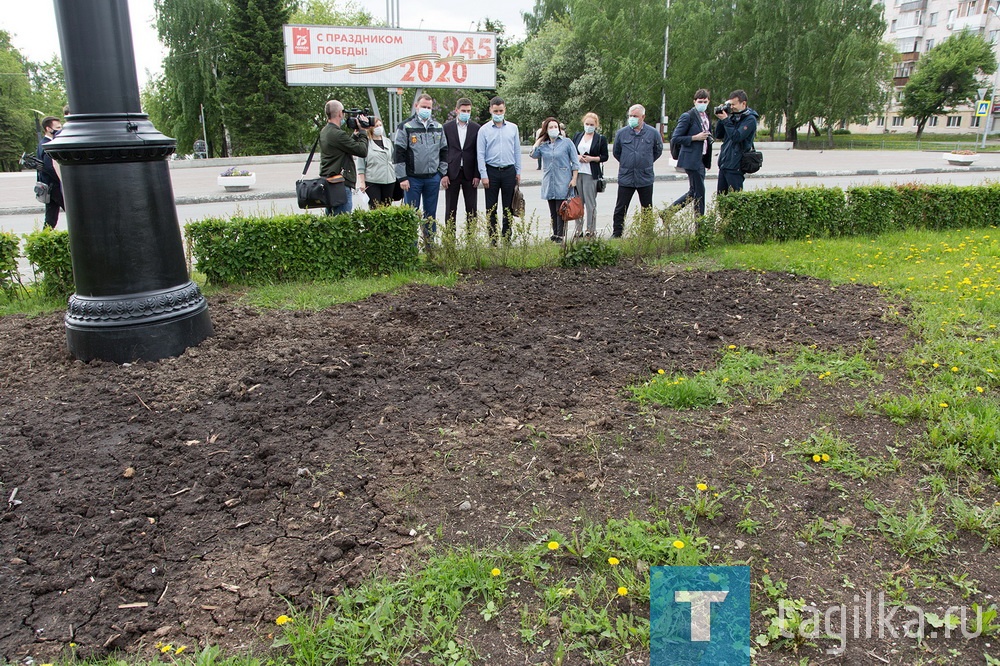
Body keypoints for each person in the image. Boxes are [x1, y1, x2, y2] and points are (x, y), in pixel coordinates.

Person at [393, 93, 448, 243]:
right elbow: (398, 154)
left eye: (429, 107)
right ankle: (411, 248)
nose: (426, 110)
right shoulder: (406, 127)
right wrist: (402, 177)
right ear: (416, 106)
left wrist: (441, 173)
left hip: (432, 179)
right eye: (423, 106)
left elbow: (444, 151)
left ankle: (430, 247)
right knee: (411, 214)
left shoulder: (437, 127)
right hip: (412, 179)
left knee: (430, 215)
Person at [611, 104, 663, 238]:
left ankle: (646, 234)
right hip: (626, 176)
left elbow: (657, 151)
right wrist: (628, 162)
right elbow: (617, 152)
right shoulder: (621, 133)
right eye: (630, 116)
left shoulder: (652, 133)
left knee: (646, 207)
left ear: (643, 117)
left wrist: (644, 162)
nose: (632, 118)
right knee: (620, 207)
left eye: (635, 116)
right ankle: (617, 233)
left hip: (644, 177)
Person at [477, 96, 521, 243]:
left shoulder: (513, 128)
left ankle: (507, 236)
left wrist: (518, 171)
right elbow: (480, 154)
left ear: (505, 110)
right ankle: (493, 238)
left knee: (508, 206)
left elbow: (517, 151)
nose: (498, 113)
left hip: (509, 171)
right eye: (495, 111)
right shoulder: (484, 130)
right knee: (491, 207)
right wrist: (484, 174)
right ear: (490, 110)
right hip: (491, 172)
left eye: (501, 110)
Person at [530, 117, 580, 243]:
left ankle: (561, 235)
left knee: (561, 209)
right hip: (549, 181)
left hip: (563, 180)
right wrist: (539, 139)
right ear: (546, 130)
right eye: (550, 127)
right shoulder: (544, 146)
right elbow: (533, 154)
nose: (553, 129)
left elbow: (575, 162)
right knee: (553, 210)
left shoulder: (567, 142)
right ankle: (555, 233)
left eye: (555, 127)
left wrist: (574, 179)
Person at [320, 100, 369, 216]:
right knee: (342, 222)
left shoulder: (326, 131)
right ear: (340, 114)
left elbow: (344, 147)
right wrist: (363, 131)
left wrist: (355, 135)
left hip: (330, 183)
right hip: (340, 185)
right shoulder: (337, 134)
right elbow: (362, 151)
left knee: (331, 221)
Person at [670, 89, 714, 216]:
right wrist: (695, 137)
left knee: (694, 191)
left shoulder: (706, 117)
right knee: (699, 193)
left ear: (708, 102)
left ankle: (668, 212)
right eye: (700, 101)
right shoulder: (688, 116)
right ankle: (699, 225)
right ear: (694, 101)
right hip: (691, 160)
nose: (702, 104)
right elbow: (675, 138)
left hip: (702, 158)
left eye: (705, 101)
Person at [441, 98, 481, 233]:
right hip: (452, 173)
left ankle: (471, 240)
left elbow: (478, 152)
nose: (466, 113)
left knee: (471, 208)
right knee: (450, 209)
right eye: (463, 111)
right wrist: (444, 174)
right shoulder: (447, 128)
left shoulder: (476, 128)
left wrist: (477, 174)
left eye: (468, 111)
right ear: (457, 110)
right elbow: (443, 151)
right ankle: (450, 240)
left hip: (470, 174)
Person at [714, 89, 759, 194]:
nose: (731, 107)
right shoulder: (732, 117)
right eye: (730, 104)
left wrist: (726, 120)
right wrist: (721, 118)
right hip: (724, 163)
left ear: (743, 103)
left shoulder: (750, 119)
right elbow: (719, 135)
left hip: (736, 165)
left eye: (734, 104)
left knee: (735, 198)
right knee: (721, 198)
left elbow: (737, 137)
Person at [571, 112, 609, 238]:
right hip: (577, 172)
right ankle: (578, 229)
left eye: (591, 124)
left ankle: (590, 229)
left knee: (590, 203)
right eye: (587, 124)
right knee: (578, 202)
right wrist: (577, 157)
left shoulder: (600, 139)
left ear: (596, 125)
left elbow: (604, 156)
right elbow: (571, 151)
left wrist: (592, 158)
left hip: (591, 173)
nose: (589, 126)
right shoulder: (577, 136)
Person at [357, 118, 396, 209]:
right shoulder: (365, 143)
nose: (379, 128)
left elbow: (393, 159)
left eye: (380, 125)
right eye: (376, 126)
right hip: (373, 181)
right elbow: (361, 166)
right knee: (375, 208)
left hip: (389, 180)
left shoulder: (387, 141)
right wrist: (362, 182)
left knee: (387, 208)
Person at [36, 116, 64, 229]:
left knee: (50, 219)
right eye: (57, 127)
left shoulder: (42, 143)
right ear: (48, 128)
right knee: (76, 213)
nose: (60, 129)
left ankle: (43, 241)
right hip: (55, 186)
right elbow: (50, 167)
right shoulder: (48, 145)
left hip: (49, 187)